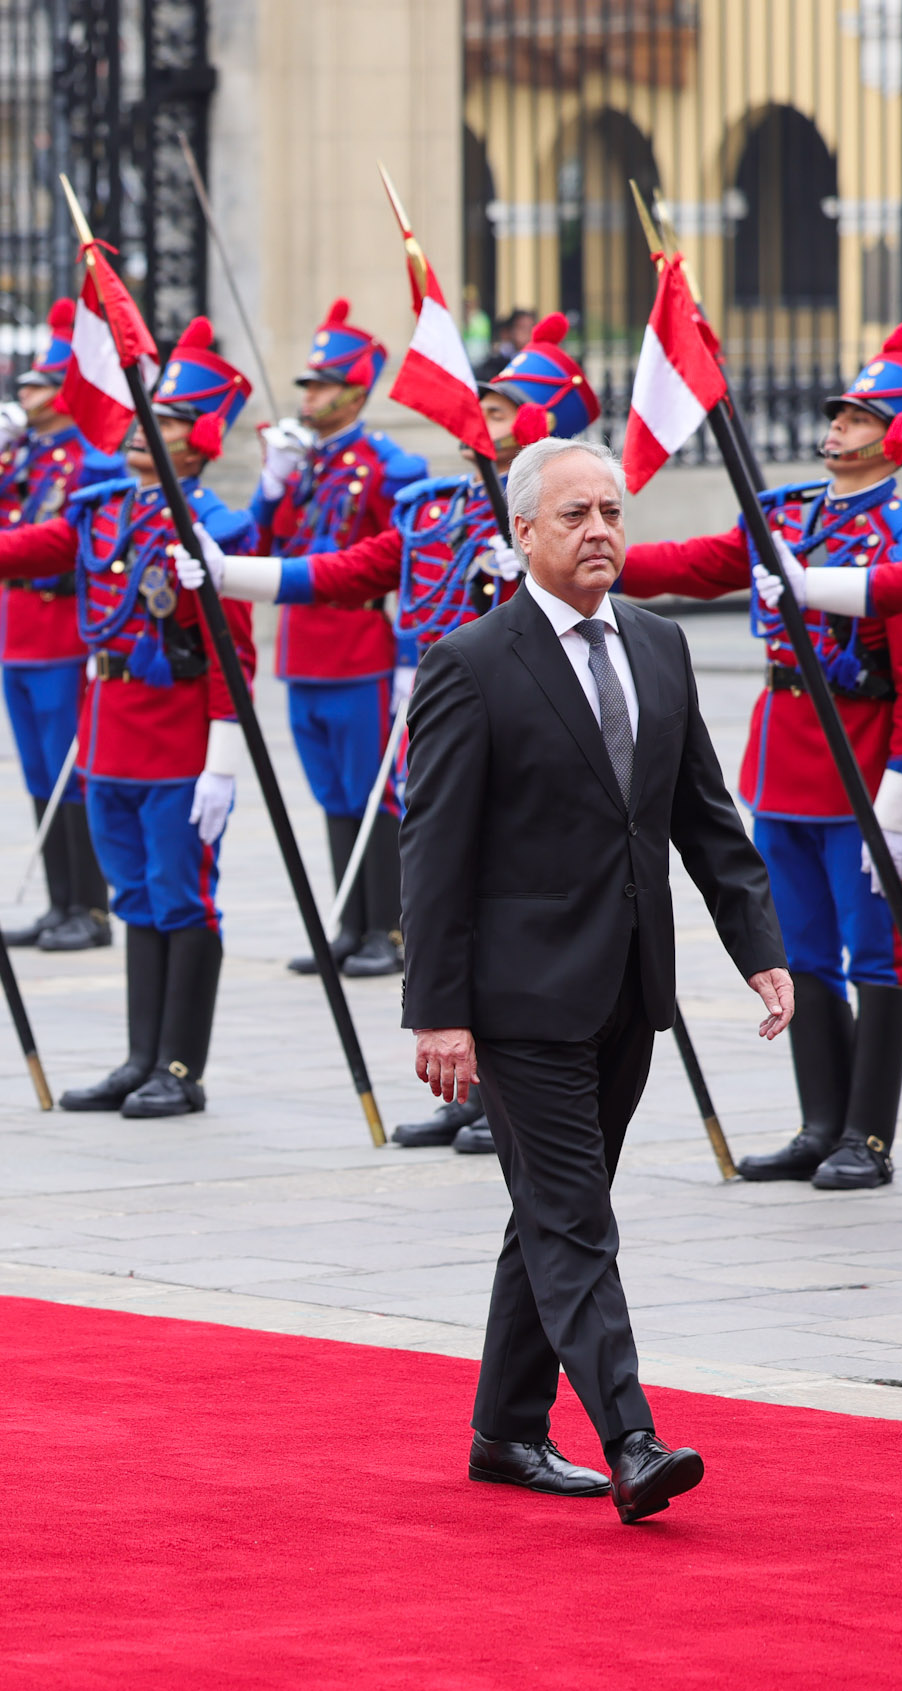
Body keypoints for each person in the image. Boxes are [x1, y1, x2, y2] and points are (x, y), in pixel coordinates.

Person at [400, 435, 789, 1524]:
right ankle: (629, 1438)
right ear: (522, 532)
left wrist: (754, 944)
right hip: (518, 1001)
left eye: (610, 511)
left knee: (550, 1216)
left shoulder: (659, 647)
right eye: (573, 515)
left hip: (628, 989)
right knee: (573, 1219)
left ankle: (503, 1431)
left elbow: (701, 818)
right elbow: (430, 851)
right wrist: (437, 1011)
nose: (598, 532)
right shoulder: (470, 661)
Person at [180, 310, 594, 1151]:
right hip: (445, 729)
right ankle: (463, 1086)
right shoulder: (439, 503)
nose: (483, 417)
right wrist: (233, 569)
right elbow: (348, 568)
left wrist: (543, 576)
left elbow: (608, 603)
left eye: (506, 407)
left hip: (526, 739)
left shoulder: (572, 516)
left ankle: (510, 1103)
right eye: (483, 402)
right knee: (447, 909)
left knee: (510, 921)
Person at [0, 319, 260, 1119]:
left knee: (183, 895)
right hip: (112, 730)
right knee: (132, 896)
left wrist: (223, 761)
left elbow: (235, 659)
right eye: (143, 420)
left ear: (200, 443)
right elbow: (15, 549)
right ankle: (138, 1058)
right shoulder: (104, 510)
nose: (140, 437)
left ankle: (180, 1066)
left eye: (168, 426)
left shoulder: (217, 531)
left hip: (178, 735)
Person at [612, 323, 902, 1192]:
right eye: (840, 413)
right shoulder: (781, 514)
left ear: (896, 433)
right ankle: (821, 1123)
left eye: (862, 417)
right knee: (805, 952)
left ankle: (869, 1135)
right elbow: (696, 566)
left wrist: (897, 810)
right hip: (783, 757)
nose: (839, 427)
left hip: (864, 768)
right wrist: (595, 559)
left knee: (876, 956)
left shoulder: (900, 538)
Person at [249, 300, 427, 979]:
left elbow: (412, 564)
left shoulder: (387, 465)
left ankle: (390, 928)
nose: (310, 396)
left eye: (321, 386)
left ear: (354, 393)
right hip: (303, 653)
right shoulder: (306, 462)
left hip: (359, 653)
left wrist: (411, 659)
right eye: (308, 386)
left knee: (375, 793)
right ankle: (349, 925)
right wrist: (271, 483)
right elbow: (258, 547)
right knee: (332, 795)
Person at [0, 299, 126, 951]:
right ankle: (60, 902)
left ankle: (91, 908)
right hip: (15, 626)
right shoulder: (20, 454)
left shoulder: (89, 458)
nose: (25, 394)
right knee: (36, 774)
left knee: (68, 772)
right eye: (24, 384)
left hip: (60, 627)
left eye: (38, 384)